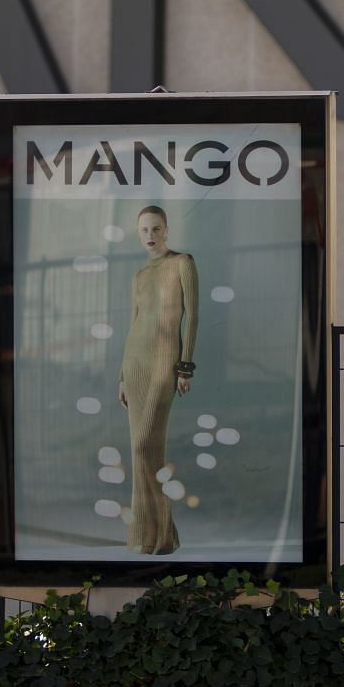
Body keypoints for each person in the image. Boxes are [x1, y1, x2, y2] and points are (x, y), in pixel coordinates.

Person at [117, 205, 198, 555]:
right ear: (139, 234)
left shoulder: (183, 264)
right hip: (134, 364)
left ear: (166, 230)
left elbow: (192, 316)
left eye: (156, 228)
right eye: (144, 230)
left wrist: (185, 367)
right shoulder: (138, 276)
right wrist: (121, 376)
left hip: (165, 363)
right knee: (141, 454)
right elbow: (133, 324)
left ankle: (161, 534)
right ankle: (152, 537)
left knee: (145, 447)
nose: (150, 235)